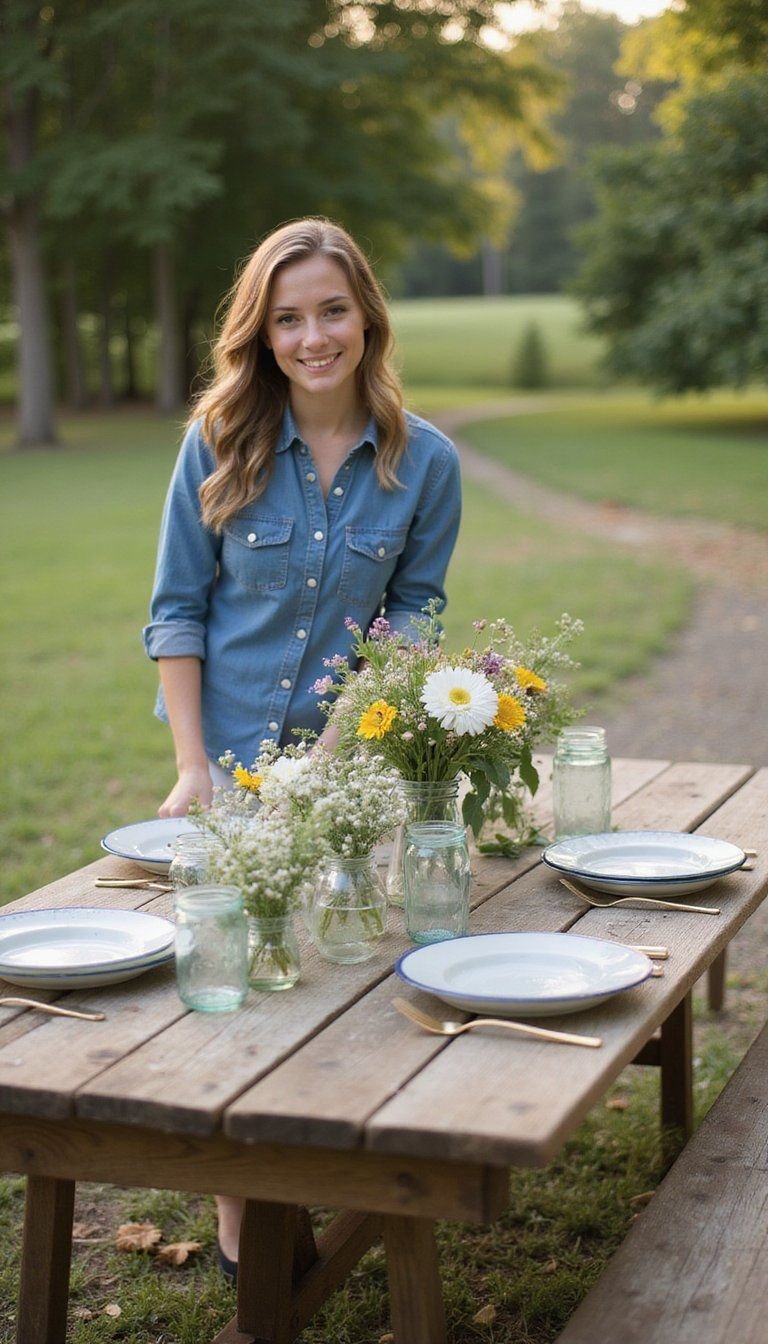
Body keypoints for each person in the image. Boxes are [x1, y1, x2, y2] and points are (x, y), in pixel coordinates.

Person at [143, 216, 462, 1279]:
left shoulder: (428, 466)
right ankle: (246, 1215)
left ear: (366, 314)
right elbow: (177, 613)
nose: (313, 336)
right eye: (288, 318)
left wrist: (329, 759)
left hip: (348, 763)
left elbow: (412, 619)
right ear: (262, 332)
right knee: (238, 983)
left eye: (331, 310)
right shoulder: (217, 441)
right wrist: (195, 767)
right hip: (226, 764)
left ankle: (325, 1174)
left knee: (336, 981)